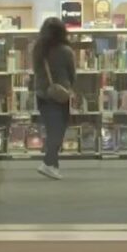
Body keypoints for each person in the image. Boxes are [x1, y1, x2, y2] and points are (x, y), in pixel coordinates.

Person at [32, 17, 76, 180]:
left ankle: (53, 166)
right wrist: (69, 87)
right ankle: (47, 163)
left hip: (42, 94)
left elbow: (36, 71)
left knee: (51, 130)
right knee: (58, 131)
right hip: (59, 94)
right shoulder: (65, 50)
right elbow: (72, 74)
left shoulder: (37, 49)